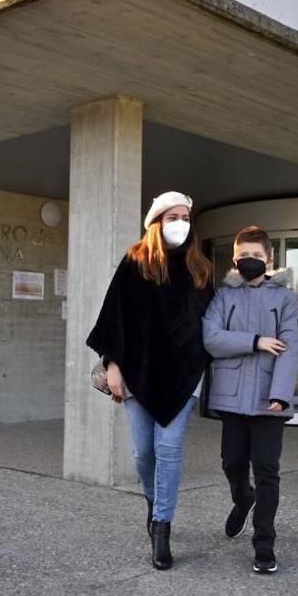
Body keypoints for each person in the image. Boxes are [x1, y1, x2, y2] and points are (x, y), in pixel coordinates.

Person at [86, 191, 214, 571]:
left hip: (183, 374)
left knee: (169, 450)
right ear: (156, 222)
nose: (181, 223)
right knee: (144, 454)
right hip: (138, 372)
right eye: (172, 216)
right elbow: (114, 316)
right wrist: (112, 365)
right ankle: (154, 500)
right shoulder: (135, 262)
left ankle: (162, 527)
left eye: (186, 217)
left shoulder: (200, 268)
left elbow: (213, 322)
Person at [202, 225, 298, 574]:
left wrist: (280, 393)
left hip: (268, 398)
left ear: (269, 260)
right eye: (243, 256)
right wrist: (257, 340)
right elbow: (211, 338)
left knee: (266, 469)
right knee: (231, 462)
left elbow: (290, 347)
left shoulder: (287, 299)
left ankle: (264, 543)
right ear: (234, 258)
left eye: (256, 256)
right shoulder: (223, 297)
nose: (250, 261)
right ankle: (242, 499)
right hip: (231, 396)